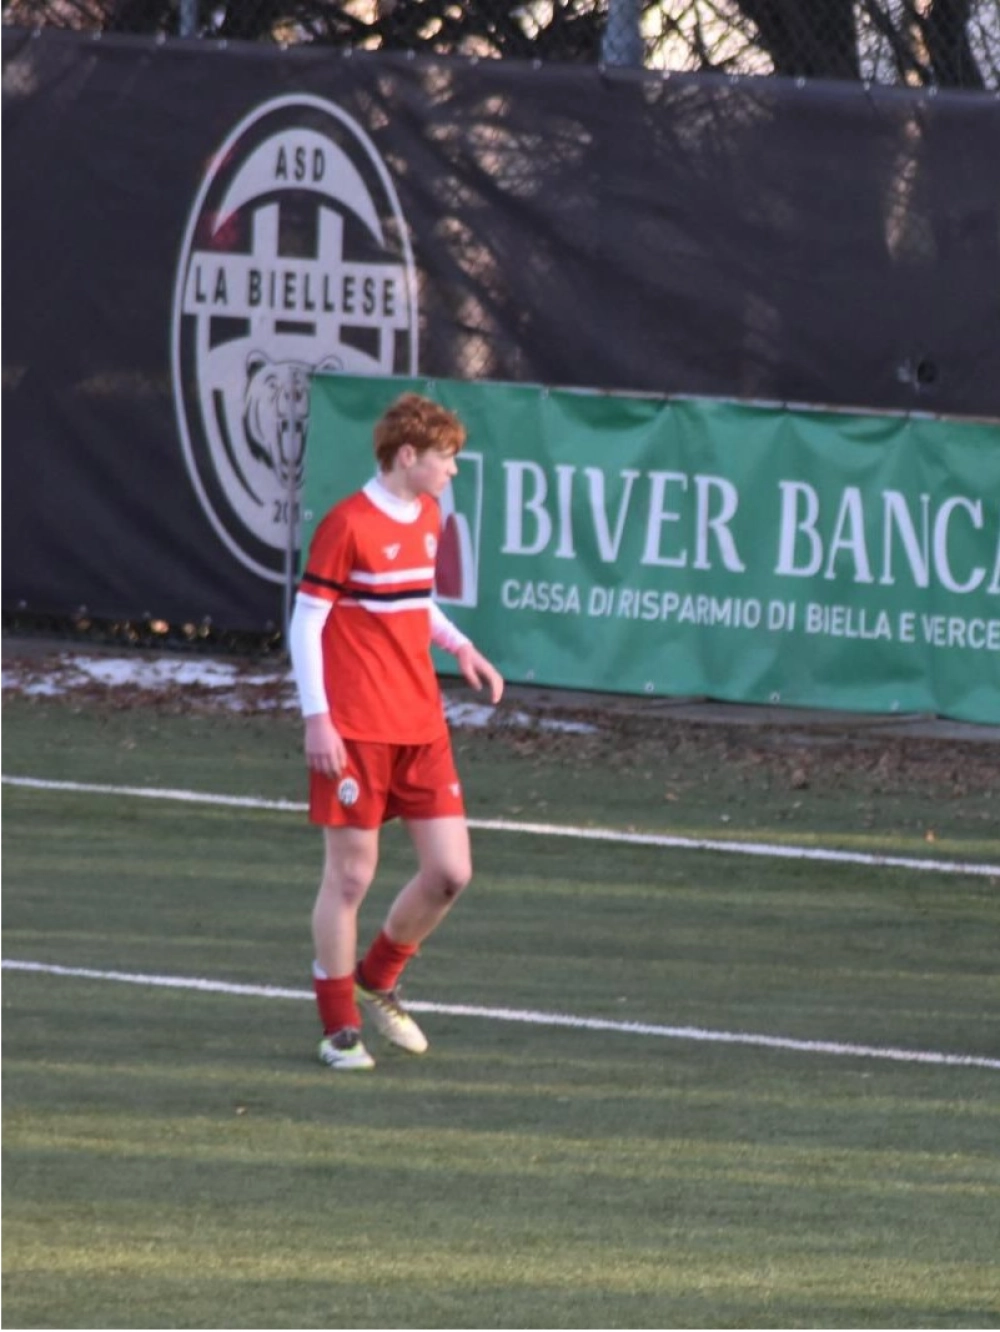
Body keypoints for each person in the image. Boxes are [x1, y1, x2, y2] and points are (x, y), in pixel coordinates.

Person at [288, 391, 504, 1071]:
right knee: (350, 878)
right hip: (356, 731)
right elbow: (306, 622)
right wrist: (318, 719)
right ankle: (338, 1029)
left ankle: (376, 978)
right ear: (407, 456)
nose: (453, 470)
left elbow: (415, 599)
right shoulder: (346, 524)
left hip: (420, 726)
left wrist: (460, 646)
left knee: (450, 873)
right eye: (446, 458)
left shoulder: (429, 515)